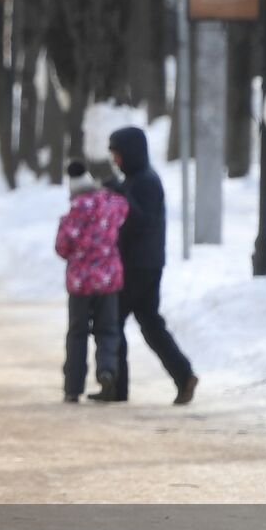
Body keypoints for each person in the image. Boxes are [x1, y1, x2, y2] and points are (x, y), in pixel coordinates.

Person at [105, 126, 199, 405]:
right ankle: (183, 375)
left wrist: (118, 194)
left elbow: (138, 220)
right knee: (150, 324)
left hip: (137, 266)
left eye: (117, 155)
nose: (115, 161)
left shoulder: (145, 181)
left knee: (114, 322)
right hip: (146, 264)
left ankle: (117, 388)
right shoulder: (137, 180)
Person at [56, 160, 129, 403]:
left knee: (77, 334)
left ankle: (72, 387)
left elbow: (62, 247)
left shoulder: (74, 213)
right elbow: (125, 210)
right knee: (107, 331)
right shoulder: (111, 204)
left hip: (80, 283)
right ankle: (107, 370)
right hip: (108, 280)